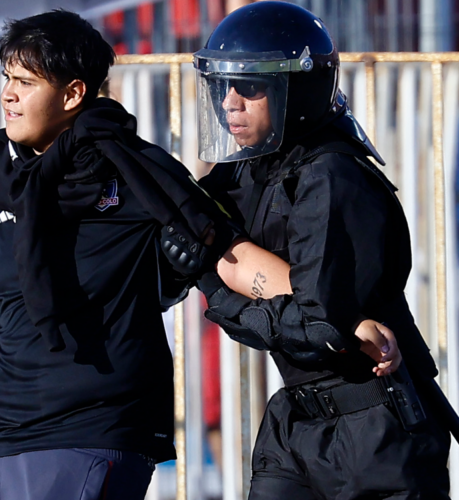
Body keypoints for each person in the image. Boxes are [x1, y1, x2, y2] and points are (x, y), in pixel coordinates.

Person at [0, 10, 395, 500]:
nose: (8, 94)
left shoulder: (132, 168)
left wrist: (344, 319)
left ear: (72, 94)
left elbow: (226, 253)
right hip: (0, 437)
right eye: (7, 77)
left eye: (25, 82)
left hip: (93, 431)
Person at [180, 2, 455, 498]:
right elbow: (184, 228)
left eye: (251, 87)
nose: (230, 104)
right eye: (225, 86)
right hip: (294, 422)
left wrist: (219, 291)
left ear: (297, 90)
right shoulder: (253, 167)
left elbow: (319, 324)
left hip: (373, 427)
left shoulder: (331, 175)